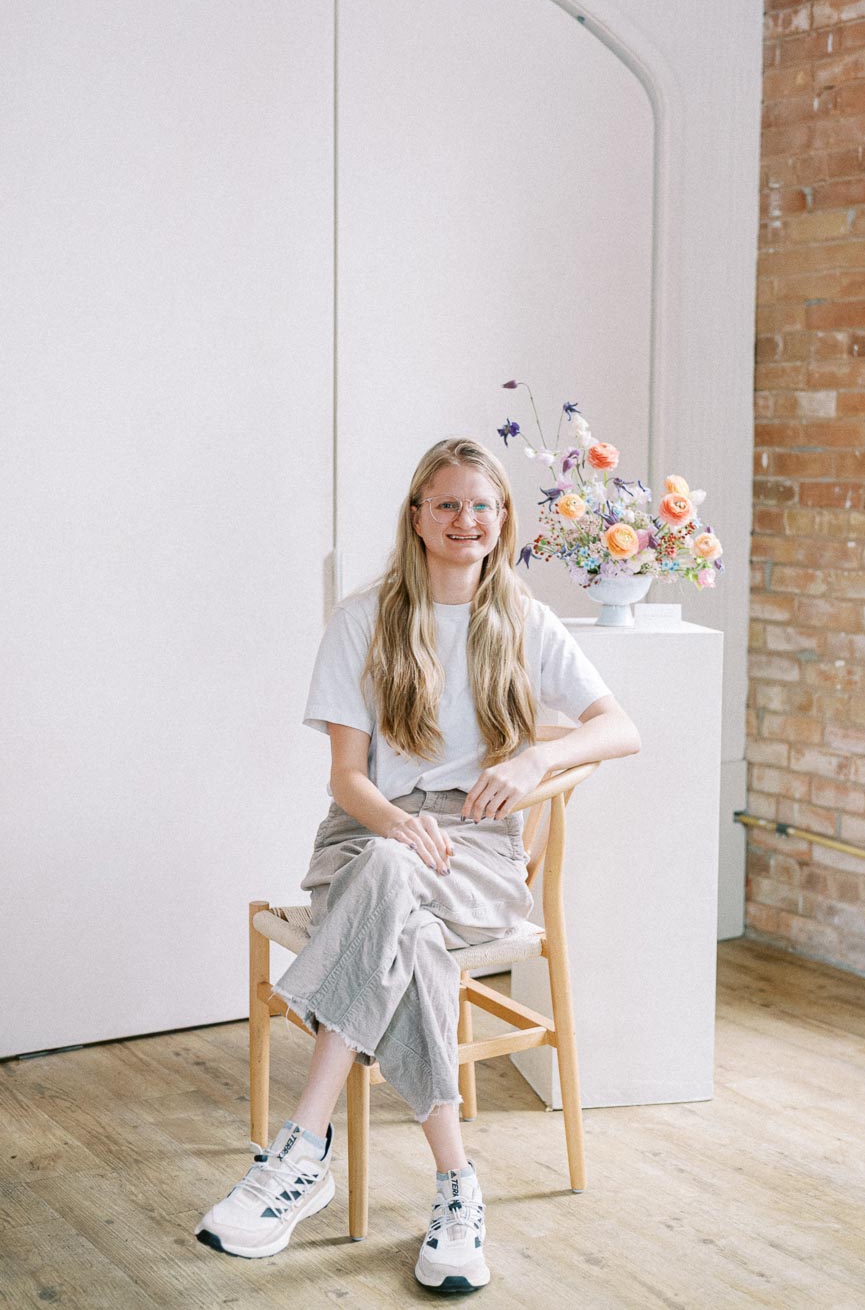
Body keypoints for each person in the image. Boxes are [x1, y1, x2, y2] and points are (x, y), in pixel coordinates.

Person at [194, 437, 641, 1292]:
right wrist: (399, 826)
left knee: (402, 901)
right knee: (407, 917)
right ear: (417, 517)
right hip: (366, 838)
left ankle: (299, 1152)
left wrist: (533, 763)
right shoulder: (365, 619)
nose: (465, 520)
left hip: (476, 851)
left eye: (482, 505)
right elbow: (347, 781)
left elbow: (620, 727)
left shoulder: (523, 619)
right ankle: (456, 1190)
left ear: (502, 518)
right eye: (446, 504)